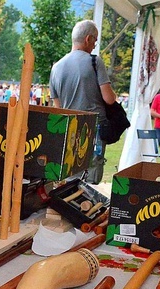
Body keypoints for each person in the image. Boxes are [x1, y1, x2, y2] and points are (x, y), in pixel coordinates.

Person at [49, 20, 118, 184]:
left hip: (69, 129)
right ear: (88, 38)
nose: (94, 45)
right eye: (95, 40)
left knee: (70, 175)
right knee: (91, 177)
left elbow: (57, 107)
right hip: (94, 128)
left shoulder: (56, 67)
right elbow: (109, 98)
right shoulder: (94, 61)